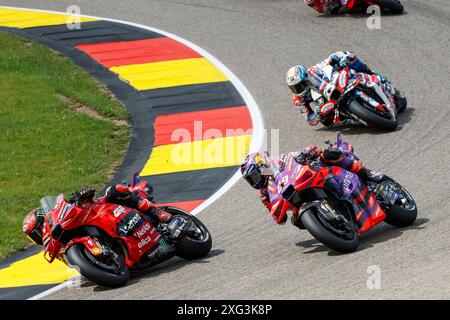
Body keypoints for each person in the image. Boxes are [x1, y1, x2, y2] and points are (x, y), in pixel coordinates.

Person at [240, 144, 383, 224]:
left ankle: (366, 172)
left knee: (327, 154)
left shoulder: (281, 160)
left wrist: (308, 151)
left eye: (254, 175)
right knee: (296, 222)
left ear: (262, 165)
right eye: (250, 180)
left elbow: (303, 152)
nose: (255, 180)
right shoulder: (264, 193)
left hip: (312, 175)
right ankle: (333, 222)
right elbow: (280, 219)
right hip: (298, 198)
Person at [23, 184, 172, 246]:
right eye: (35, 236)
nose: (40, 235)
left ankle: (156, 212)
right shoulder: (61, 252)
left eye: (38, 230)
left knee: (114, 190)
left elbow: (86, 202)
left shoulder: (66, 214)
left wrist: (82, 195)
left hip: (104, 211)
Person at [286, 51, 403, 127]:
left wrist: (341, 58)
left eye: (299, 85)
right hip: (327, 105)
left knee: (352, 60)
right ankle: (354, 115)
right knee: (326, 122)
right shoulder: (298, 99)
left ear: (306, 78)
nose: (297, 90)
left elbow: (331, 58)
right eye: (294, 88)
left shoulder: (314, 71)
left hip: (334, 85)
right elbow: (310, 120)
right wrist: (316, 114)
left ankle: (375, 76)